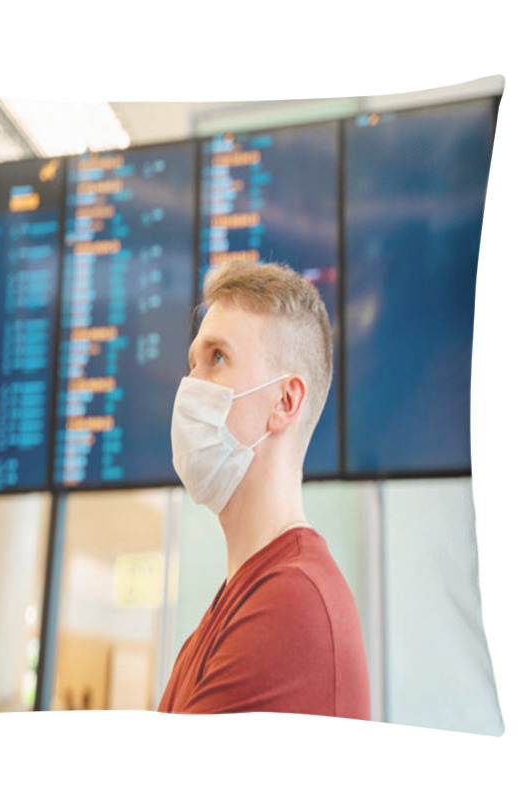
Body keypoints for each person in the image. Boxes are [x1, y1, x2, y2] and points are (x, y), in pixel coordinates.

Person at [158, 259, 370, 719]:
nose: (189, 386)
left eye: (217, 358)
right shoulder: (234, 606)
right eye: (193, 362)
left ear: (285, 401)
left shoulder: (291, 604)